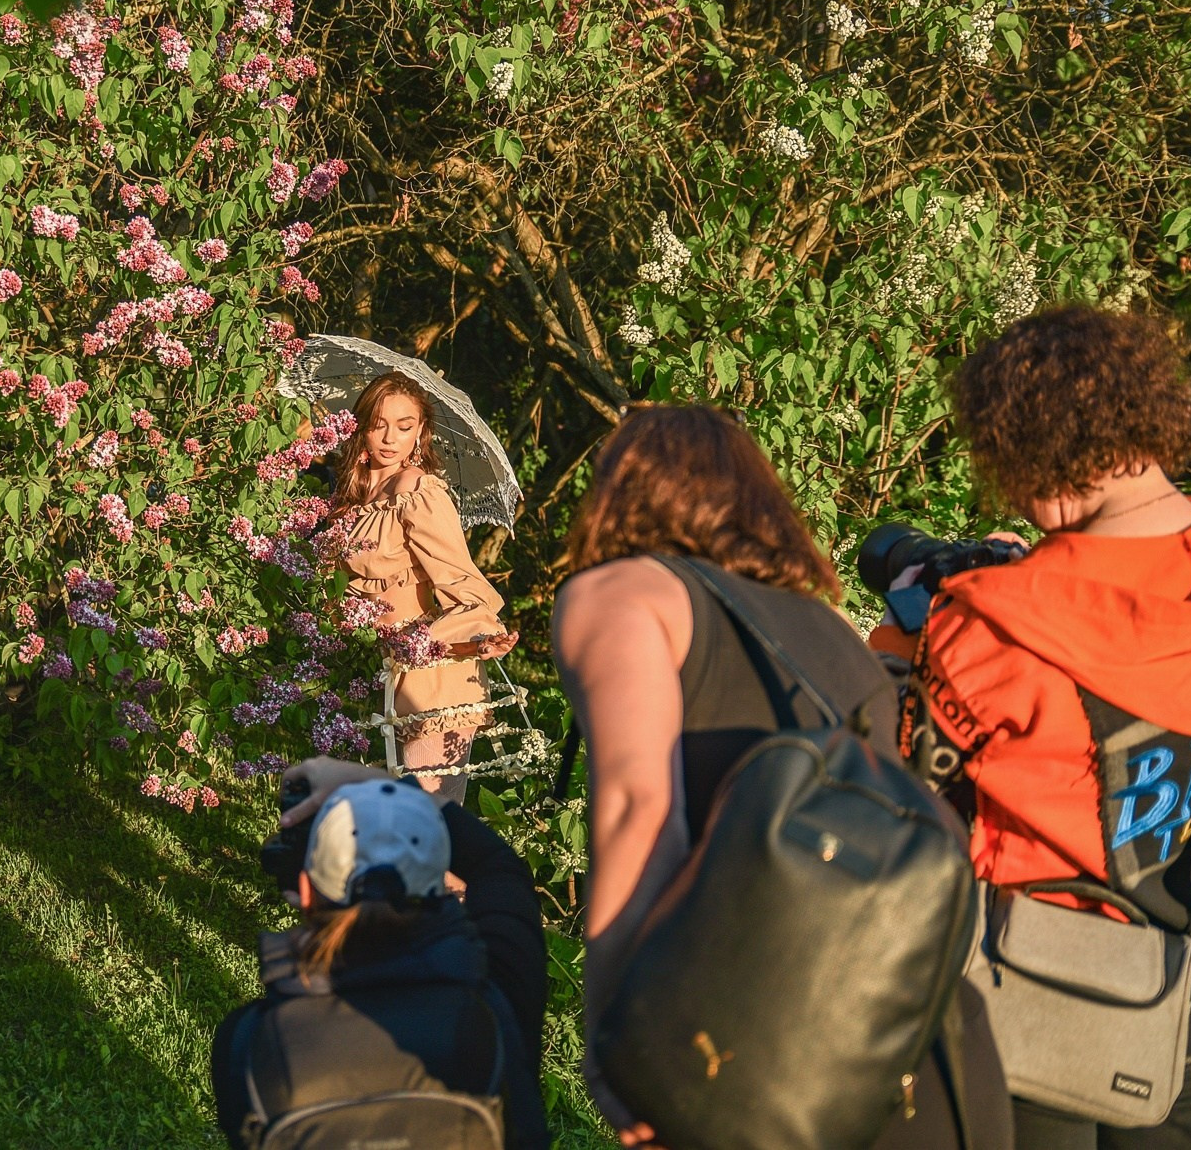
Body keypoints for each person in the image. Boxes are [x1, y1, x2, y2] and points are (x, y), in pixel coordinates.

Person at [873, 307, 1191, 1150]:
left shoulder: (997, 625)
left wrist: (899, 652)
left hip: (1037, 1001)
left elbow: (908, 784)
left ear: (1037, 466)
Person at [551, 404, 1013, 1150]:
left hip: (770, 1063)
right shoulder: (825, 628)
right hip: (924, 1060)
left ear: (619, 490)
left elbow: (639, 809)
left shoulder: (625, 592)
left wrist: (621, 1043)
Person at [210, 757, 549, 1149]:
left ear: (305, 892)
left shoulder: (249, 1041)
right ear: (440, 886)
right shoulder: (500, 992)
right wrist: (382, 785)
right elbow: (499, 868)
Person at [330, 371, 518, 803]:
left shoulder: (418, 490)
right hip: (387, 673)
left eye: (404, 425)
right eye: (378, 424)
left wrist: (482, 635)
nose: (389, 438)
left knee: (425, 828)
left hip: (434, 674)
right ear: (361, 426)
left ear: (421, 432)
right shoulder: (354, 496)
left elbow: (458, 577)